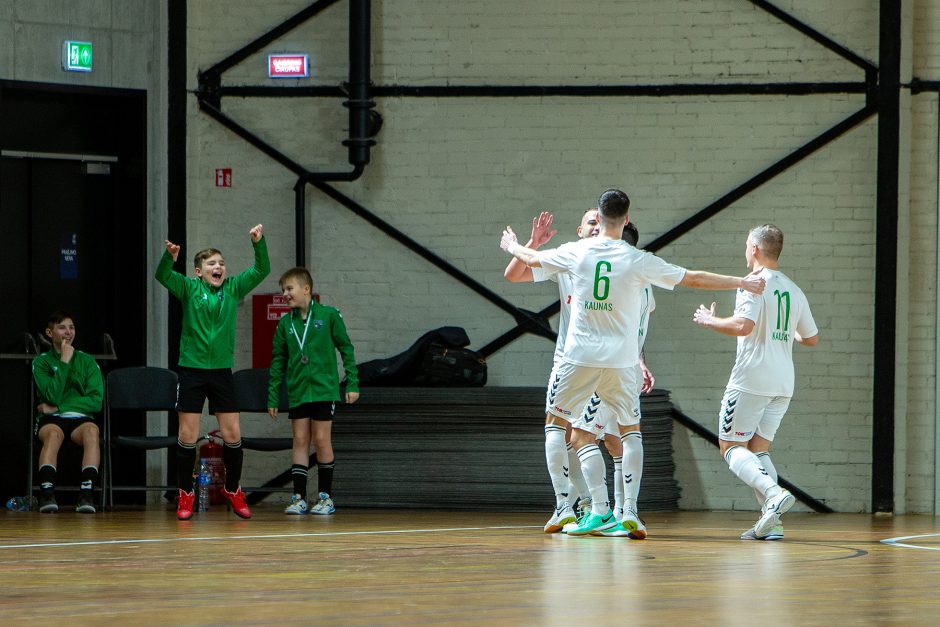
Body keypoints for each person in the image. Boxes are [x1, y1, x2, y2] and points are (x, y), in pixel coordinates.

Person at [501, 188, 766, 536]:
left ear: (600, 215)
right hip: (622, 361)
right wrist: (740, 281)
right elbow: (694, 277)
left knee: (557, 425)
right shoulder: (638, 260)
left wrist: (513, 245)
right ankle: (630, 510)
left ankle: (567, 505)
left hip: (579, 356)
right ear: (626, 219)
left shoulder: (574, 252)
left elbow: (529, 259)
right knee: (629, 432)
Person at [692, 224, 818, 540]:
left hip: (751, 378)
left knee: (730, 445)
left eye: (747, 246)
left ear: (755, 249)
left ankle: (773, 495)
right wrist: (787, 332)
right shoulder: (794, 289)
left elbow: (743, 326)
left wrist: (710, 321)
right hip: (783, 382)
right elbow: (812, 338)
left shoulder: (753, 283)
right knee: (758, 449)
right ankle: (772, 522)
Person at [504, 209, 614, 533]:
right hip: (575, 361)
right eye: (590, 222)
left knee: (592, 436)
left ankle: (598, 507)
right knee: (569, 432)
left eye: (600, 221)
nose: (595, 225)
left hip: (601, 363)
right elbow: (514, 274)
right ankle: (577, 505)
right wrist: (533, 243)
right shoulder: (568, 259)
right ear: (580, 230)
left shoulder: (614, 260)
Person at [156, 224, 270, 520]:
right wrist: (170, 257)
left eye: (221, 263)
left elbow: (261, 270)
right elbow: (162, 275)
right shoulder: (188, 287)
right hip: (192, 370)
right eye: (211, 264)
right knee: (188, 435)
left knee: (232, 434)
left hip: (221, 372)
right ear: (198, 271)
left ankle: (233, 489)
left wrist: (258, 243)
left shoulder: (233, 288)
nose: (218, 267)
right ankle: (185, 493)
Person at [268, 267, 359, 516]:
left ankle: (325, 498)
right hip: (298, 392)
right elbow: (277, 361)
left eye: (289, 289)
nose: (285, 294)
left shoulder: (329, 315)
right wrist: (273, 395)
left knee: (321, 440)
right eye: (283, 290)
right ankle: (298, 498)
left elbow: (346, 348)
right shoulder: (285, 324)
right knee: (299, 441)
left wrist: (352, 383)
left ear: (305, 289)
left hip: (323, 390)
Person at [32, 312, 104, 514]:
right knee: (53, 435)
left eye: (71, 327)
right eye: (62, 327)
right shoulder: (42, 362)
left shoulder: (87, 361)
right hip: (51, 420)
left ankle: (86, 493)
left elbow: (96, 401)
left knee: (92, 432)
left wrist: (59, 407)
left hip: (80, 419)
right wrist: (63, 361)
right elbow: (51, 395)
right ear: (50, 332)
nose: (68, 332)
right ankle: (46, 493)